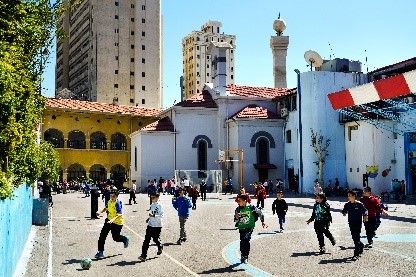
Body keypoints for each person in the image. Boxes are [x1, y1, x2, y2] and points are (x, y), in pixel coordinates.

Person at [95, 190, 129, 259]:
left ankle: (125, 239)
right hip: (109, 220)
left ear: (116, 196)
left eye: (113, 196)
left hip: (117, 222)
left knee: (115, 238)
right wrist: (100, 212)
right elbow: (106, 207)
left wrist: (113, 219)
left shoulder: (117, 203)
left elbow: (119, 214)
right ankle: (100, 252)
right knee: (102, 235)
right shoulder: (110, 201)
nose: (111, 197)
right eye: (111, 196)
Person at [234, 194, 266, 263]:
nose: (238, 202)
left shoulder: (251, 207)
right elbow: (235, 219)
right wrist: (236, 217)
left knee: (246, 239)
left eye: (240, 201)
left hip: (249, 227)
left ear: (245, 201)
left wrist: (262, 222)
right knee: (242, 242)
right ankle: (242, 254)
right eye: (238, 201)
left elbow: (260, 213)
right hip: (241, 227)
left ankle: (246, 256)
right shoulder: (238, 208)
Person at [342, 190, 368, 259]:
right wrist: (344, 213)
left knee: (357, 237)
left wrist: (365, 217)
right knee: (354, 238)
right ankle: (361, 245)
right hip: (351, 223)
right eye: (348, 196)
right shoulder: (347, 204)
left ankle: (356, 254)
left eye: (350, 196)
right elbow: (344, 211)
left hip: (358, 223)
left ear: (354, 196)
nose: (348, 197)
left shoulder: (359, 204)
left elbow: (365, 211)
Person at [139, 193, 164, 261]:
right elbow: (151, 213)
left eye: (153, 198)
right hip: (150, 225)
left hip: (157, 225)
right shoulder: (151, 205)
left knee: (155, 239)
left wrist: (154, 216)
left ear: (157, 198)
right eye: (151, 198)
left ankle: (160, 246)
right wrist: (149, 218)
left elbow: (161, 216)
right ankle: (143, 255)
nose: (152, 199)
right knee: (146, 240)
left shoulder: (160, 206)